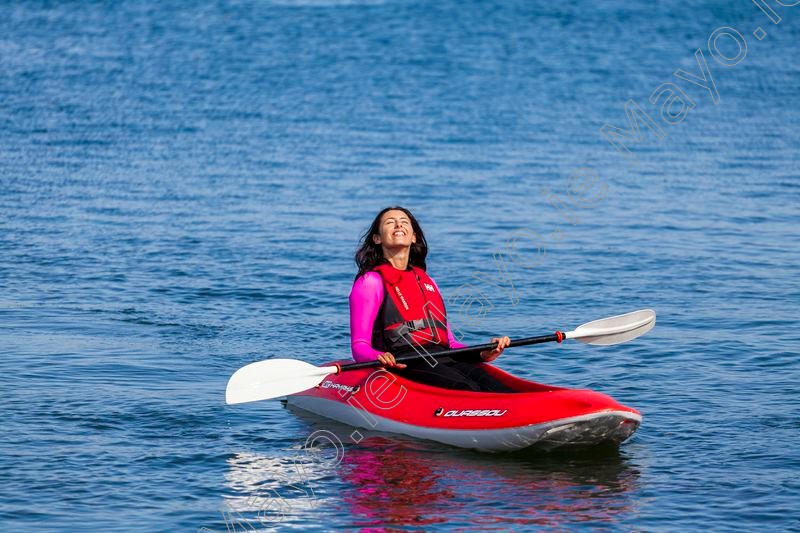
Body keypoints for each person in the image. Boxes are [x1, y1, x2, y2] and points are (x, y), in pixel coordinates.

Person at [349, 206, 514, 393]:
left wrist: (483, 353)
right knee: (465, 388)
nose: (398, 225)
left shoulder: (429, 282)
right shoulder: (370, 281)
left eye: (404, 222)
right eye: (389, 222)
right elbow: (359, 346)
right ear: (377, 239)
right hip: (406, 361)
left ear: (413, 237)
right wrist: (379, 357)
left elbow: (451, 343)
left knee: (497, 387)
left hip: (445, 356)